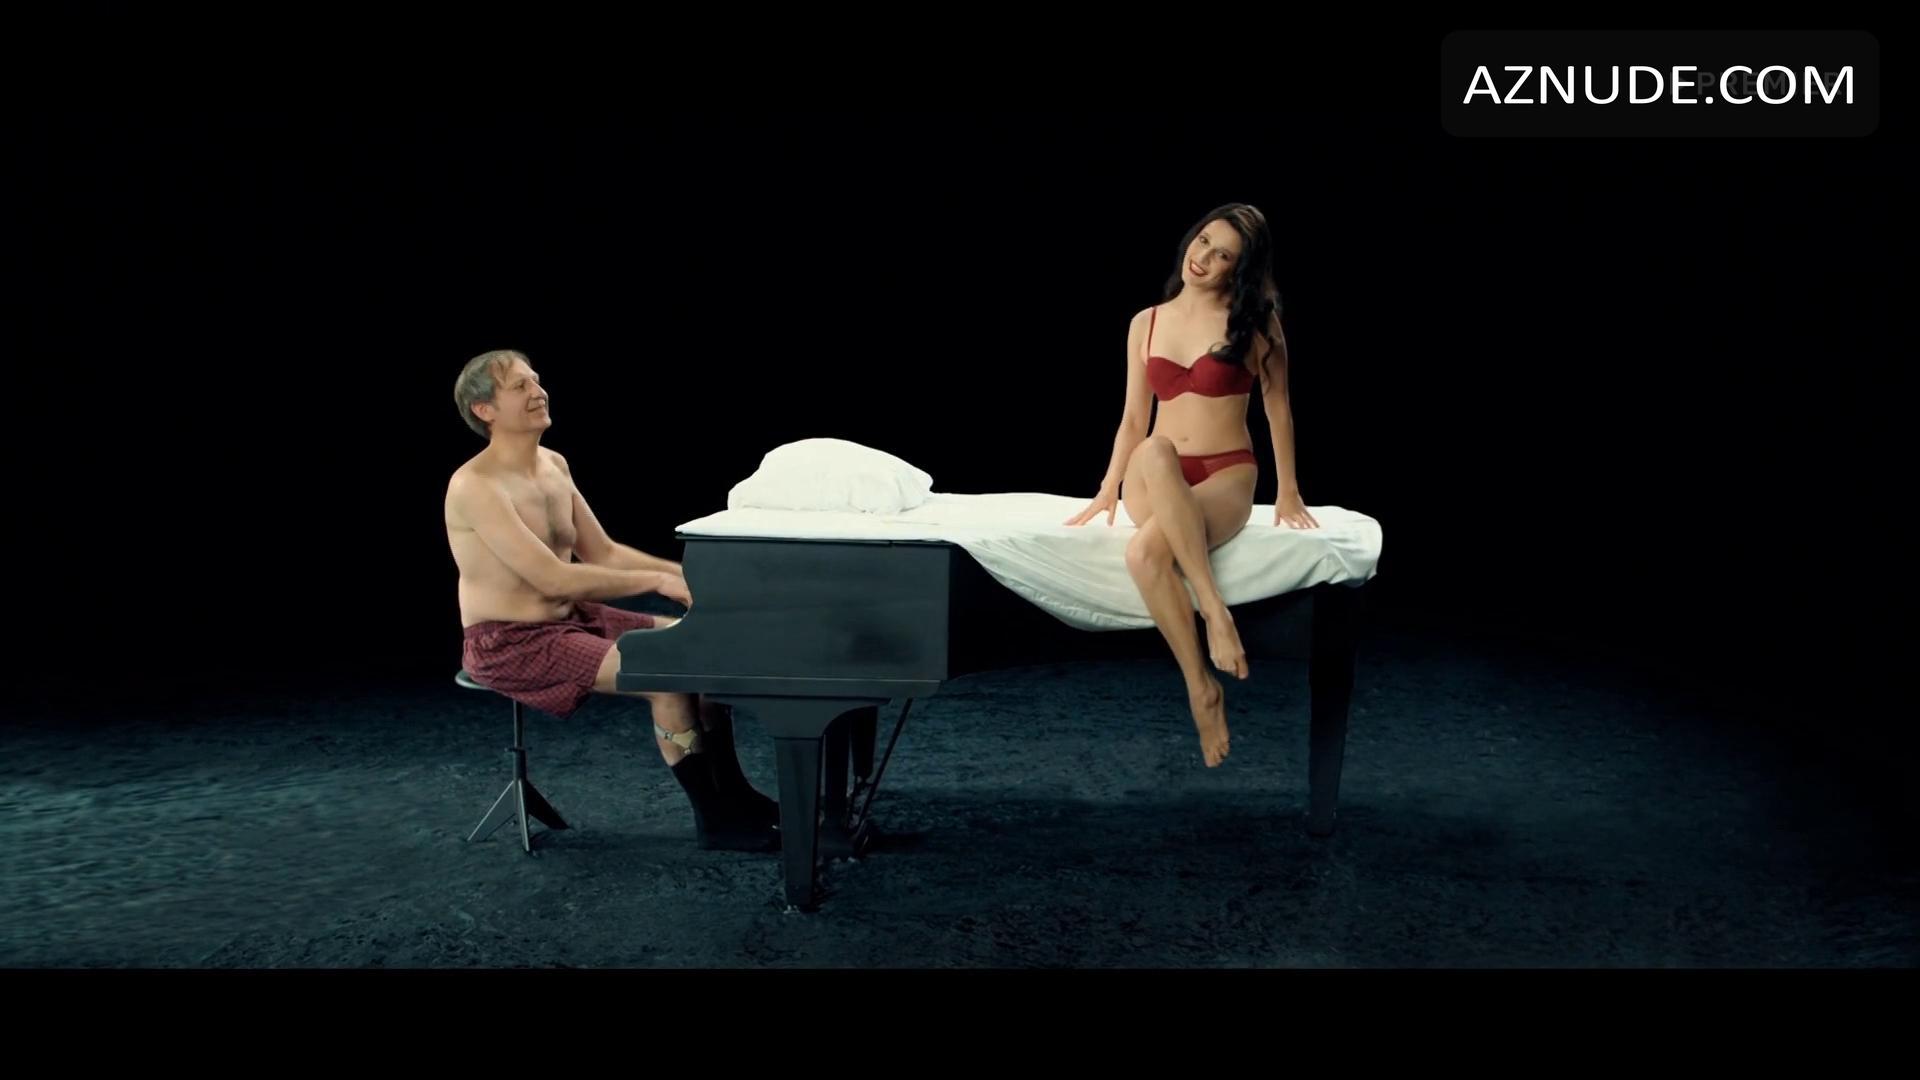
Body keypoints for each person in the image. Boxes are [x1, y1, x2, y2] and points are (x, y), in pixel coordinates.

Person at [444, 348, 779, 851]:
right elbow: (553, 578)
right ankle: (716, 823)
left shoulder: (553, 464)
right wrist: (659, 583)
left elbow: (602, 552)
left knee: (701, 651)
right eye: (520, 386)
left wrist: (691, 576)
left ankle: (737, 798)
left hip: (574, 620)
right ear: (484, 410)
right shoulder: (475, 486)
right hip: (510, 641)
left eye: (537, 380)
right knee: (665, 677)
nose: (539, 392)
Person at [1065, 204, 1320, 768]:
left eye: (1223, 254)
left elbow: (1278, 409)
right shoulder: (1147, 322)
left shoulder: (1256, 324)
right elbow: (1135, 418)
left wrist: (1288, 490)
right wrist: (1108, 486)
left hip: (1225, 473)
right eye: (1203, 241)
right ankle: (1214, 612)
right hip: (1154, 478)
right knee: (1156, 448)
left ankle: (1201, 688)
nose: (1203, 258)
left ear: (1239, 268)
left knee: (1144, 555)